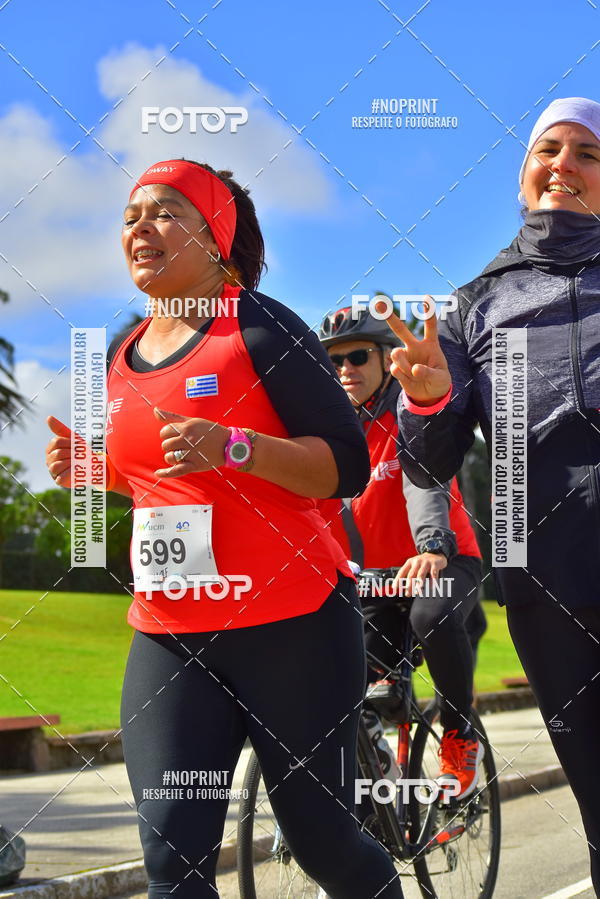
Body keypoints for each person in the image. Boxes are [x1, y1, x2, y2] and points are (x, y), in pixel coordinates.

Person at [45, 159, 405, 898]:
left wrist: (234, 445)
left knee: (324, 843)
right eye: (130, 215)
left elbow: (343, 466)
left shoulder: (263, 328)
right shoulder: (122, 355)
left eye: (166, 212)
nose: (139, 226)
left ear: (215, 235)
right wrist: (97, 470)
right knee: (172, 862)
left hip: (294, 626)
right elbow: (162, 474)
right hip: (172, 635)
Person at [386, 97, 600, 892]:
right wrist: (431, 400)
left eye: (588, 153)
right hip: (544, 578)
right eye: (550, 148)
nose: (566, 165)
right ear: (523, 176)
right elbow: (427, 462)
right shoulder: (478, 303)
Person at [317, 306, 485, 799]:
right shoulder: (328, 434)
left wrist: (432, 544)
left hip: (444, 563)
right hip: (371, 581)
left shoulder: (408, 412)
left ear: (387, 359)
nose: (345, 369)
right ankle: (380, 778)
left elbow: (422, 482)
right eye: (333, 362)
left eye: (357, 356)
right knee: (350, 689)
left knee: (432, 615)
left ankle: (459, 736)